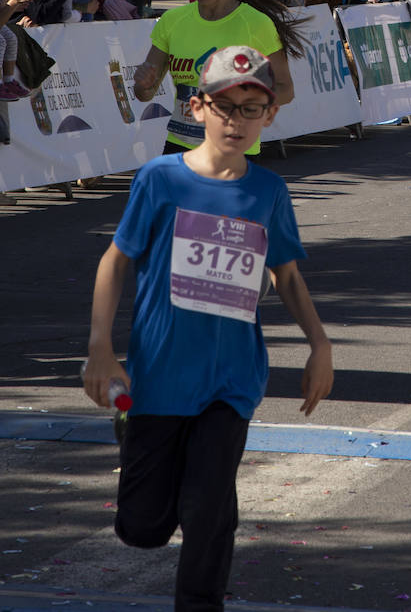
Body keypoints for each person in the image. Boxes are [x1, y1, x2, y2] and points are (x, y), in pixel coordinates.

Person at [83, 44, 333, 612]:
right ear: (197, 109)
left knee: (206, 510)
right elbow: (115, 261)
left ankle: (201, 596)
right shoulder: (160, 180)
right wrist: (100, 348)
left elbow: (286, 275)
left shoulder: (267, 191)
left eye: (252, 108)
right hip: (160, 380)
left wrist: (319, 344)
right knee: (143, 528)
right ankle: (155, 451)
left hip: (232, 379)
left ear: (269, 116)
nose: (237, 120)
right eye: (225, 106)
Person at [133, 0, 303, 156]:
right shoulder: (172, 21)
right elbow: (144, 93)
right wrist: (144, 83)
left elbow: (285, 90)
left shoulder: (255, 24)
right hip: (180, 149)